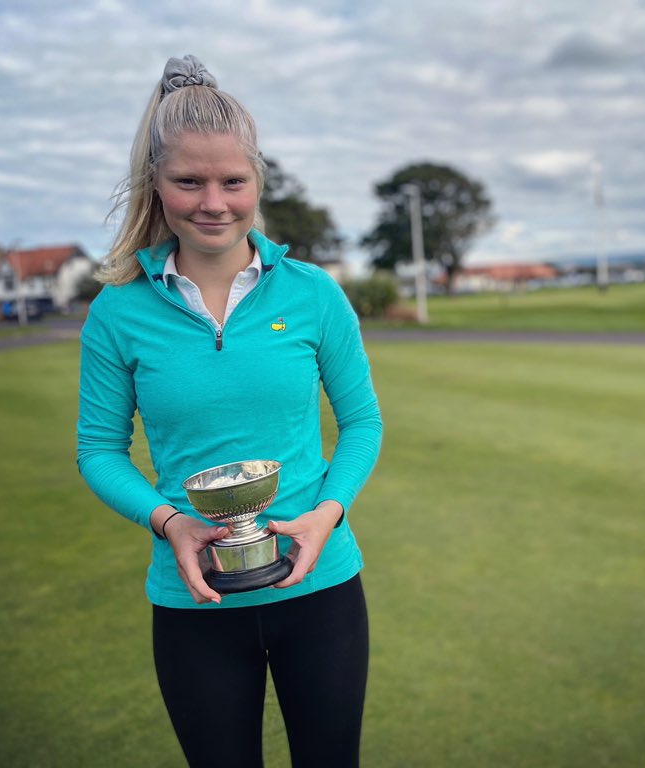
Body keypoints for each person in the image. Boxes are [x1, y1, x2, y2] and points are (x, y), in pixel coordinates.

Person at [76, 54, 382, 768]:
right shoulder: (118, 312)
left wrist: (326, 513)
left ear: (257, 181)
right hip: (194, 604)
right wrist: (172, 521)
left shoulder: (312, 294)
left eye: (232, 181)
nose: (213, 202)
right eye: (189, 181)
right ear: (156, 183)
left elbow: (363, 423)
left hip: (322, 587)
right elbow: (98, 448)